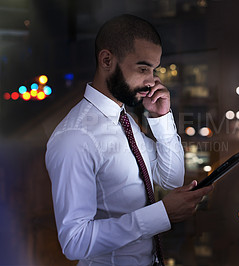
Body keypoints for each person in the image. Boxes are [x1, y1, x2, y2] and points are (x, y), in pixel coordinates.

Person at [45, 14, 213, 266]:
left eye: (154, 70)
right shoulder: (75, 137)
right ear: (106, 60)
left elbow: (170, 179)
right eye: (143, 68)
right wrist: (162, 214)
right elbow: (74, 242)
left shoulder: (126, 120)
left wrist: (162, 118)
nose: (152, 80)